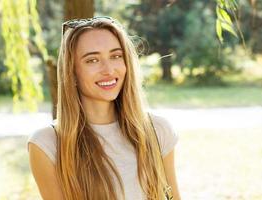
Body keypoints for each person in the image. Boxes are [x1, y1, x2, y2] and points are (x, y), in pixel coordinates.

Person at [28, 16, 181, 200]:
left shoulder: (157, 130)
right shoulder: (47, 144)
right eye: (92, 60)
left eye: (116, 56)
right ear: (72, 72)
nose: (108, 69)